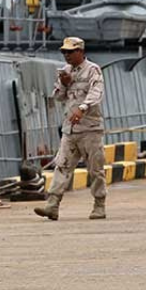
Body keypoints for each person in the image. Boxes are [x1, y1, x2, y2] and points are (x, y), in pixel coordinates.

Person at [35, 37, 107, 221]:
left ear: (80, 51)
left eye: (70, 52)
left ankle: (99, 205)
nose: (66, 55)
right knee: (62, 166)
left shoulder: (93, 70)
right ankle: (52, 206)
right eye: (64, 52)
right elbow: (58, 97)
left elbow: (96, 93)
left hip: (90, 129)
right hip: (70, 129)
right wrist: (65, 83)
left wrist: (82, 109)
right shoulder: (65, 71)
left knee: (95, 169)